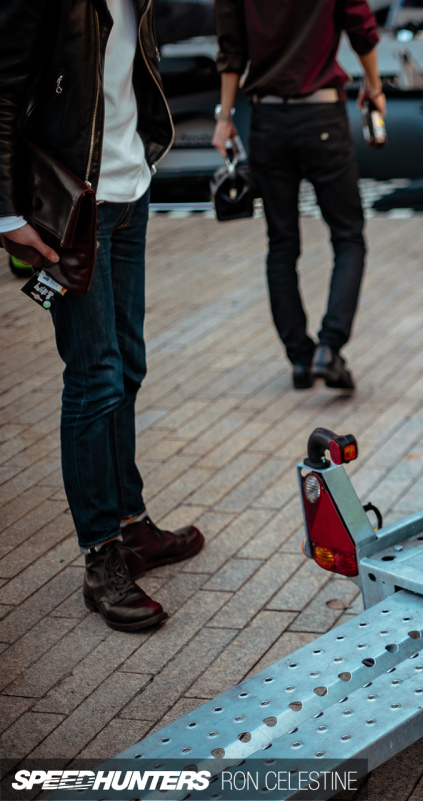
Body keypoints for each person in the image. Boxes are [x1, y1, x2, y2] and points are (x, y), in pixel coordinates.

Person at [0, 0, 205, 630]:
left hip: (129, 193)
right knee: (95, 379)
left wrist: (141, 156)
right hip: (72, 204)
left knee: (128, 367)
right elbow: (4, 94)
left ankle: (131, 525)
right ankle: (101, 559)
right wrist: (7, 216)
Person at [212, 0, 387, 392]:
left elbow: (231, 51)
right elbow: (361, 24)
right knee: (347, 237)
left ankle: (300, 357)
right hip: (322, 114)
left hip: (268, 121)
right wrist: (374, 86)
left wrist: (224, 119)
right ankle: (329, 346)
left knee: (282, 244)